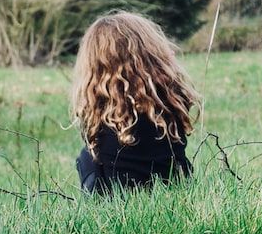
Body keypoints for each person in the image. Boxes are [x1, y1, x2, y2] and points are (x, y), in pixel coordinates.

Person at [71, 11, 197, 193]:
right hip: (174, 191)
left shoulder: (105, 124)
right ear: (151, 58)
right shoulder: (168, 107)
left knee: (87, 158)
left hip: (117, 202)